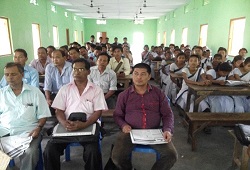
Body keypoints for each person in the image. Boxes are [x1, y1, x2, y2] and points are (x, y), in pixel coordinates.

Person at [43, 58, 108, 170]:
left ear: (88, 72)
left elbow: (98, 111)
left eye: (81, 69)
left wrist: (85, 124)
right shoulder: (65, 89)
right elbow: (59, 110)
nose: (77, 72)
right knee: (49, 149)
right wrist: (64, 123)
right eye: (74, 69)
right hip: (67, 124)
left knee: (92, 152)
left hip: (88, 124)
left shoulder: (96, 90)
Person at [111, 63, 178, 170]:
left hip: (154, 131)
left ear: (149, 76)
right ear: (132, 75)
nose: (139, 77)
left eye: (143, 74)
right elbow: (117, 115)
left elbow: (167, 114)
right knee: (117, 157)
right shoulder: (124, 95)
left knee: (171, 155)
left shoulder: (158, 94)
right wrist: (123, 125)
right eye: (136, 74)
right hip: (130, 132)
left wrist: (167, 130)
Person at [0, 62, 51, 170]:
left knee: (30, 153)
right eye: (7, 75)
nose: (10, 78)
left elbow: (43, 114)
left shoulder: (35, 92)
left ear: (22, 74)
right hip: (5, 131)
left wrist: (39, 128)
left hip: (28, 131)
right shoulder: (1, 93)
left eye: (13, 74)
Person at [44, 50, 72, 115]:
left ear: (64, 58)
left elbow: (72, 85)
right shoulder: (49, 67)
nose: (54, 60)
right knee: (49, 108)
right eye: (52, 57)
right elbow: (47, 85)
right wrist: (48, 99)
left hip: (69, 95)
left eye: (57, 57)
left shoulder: (71, 67)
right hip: (55, 94)